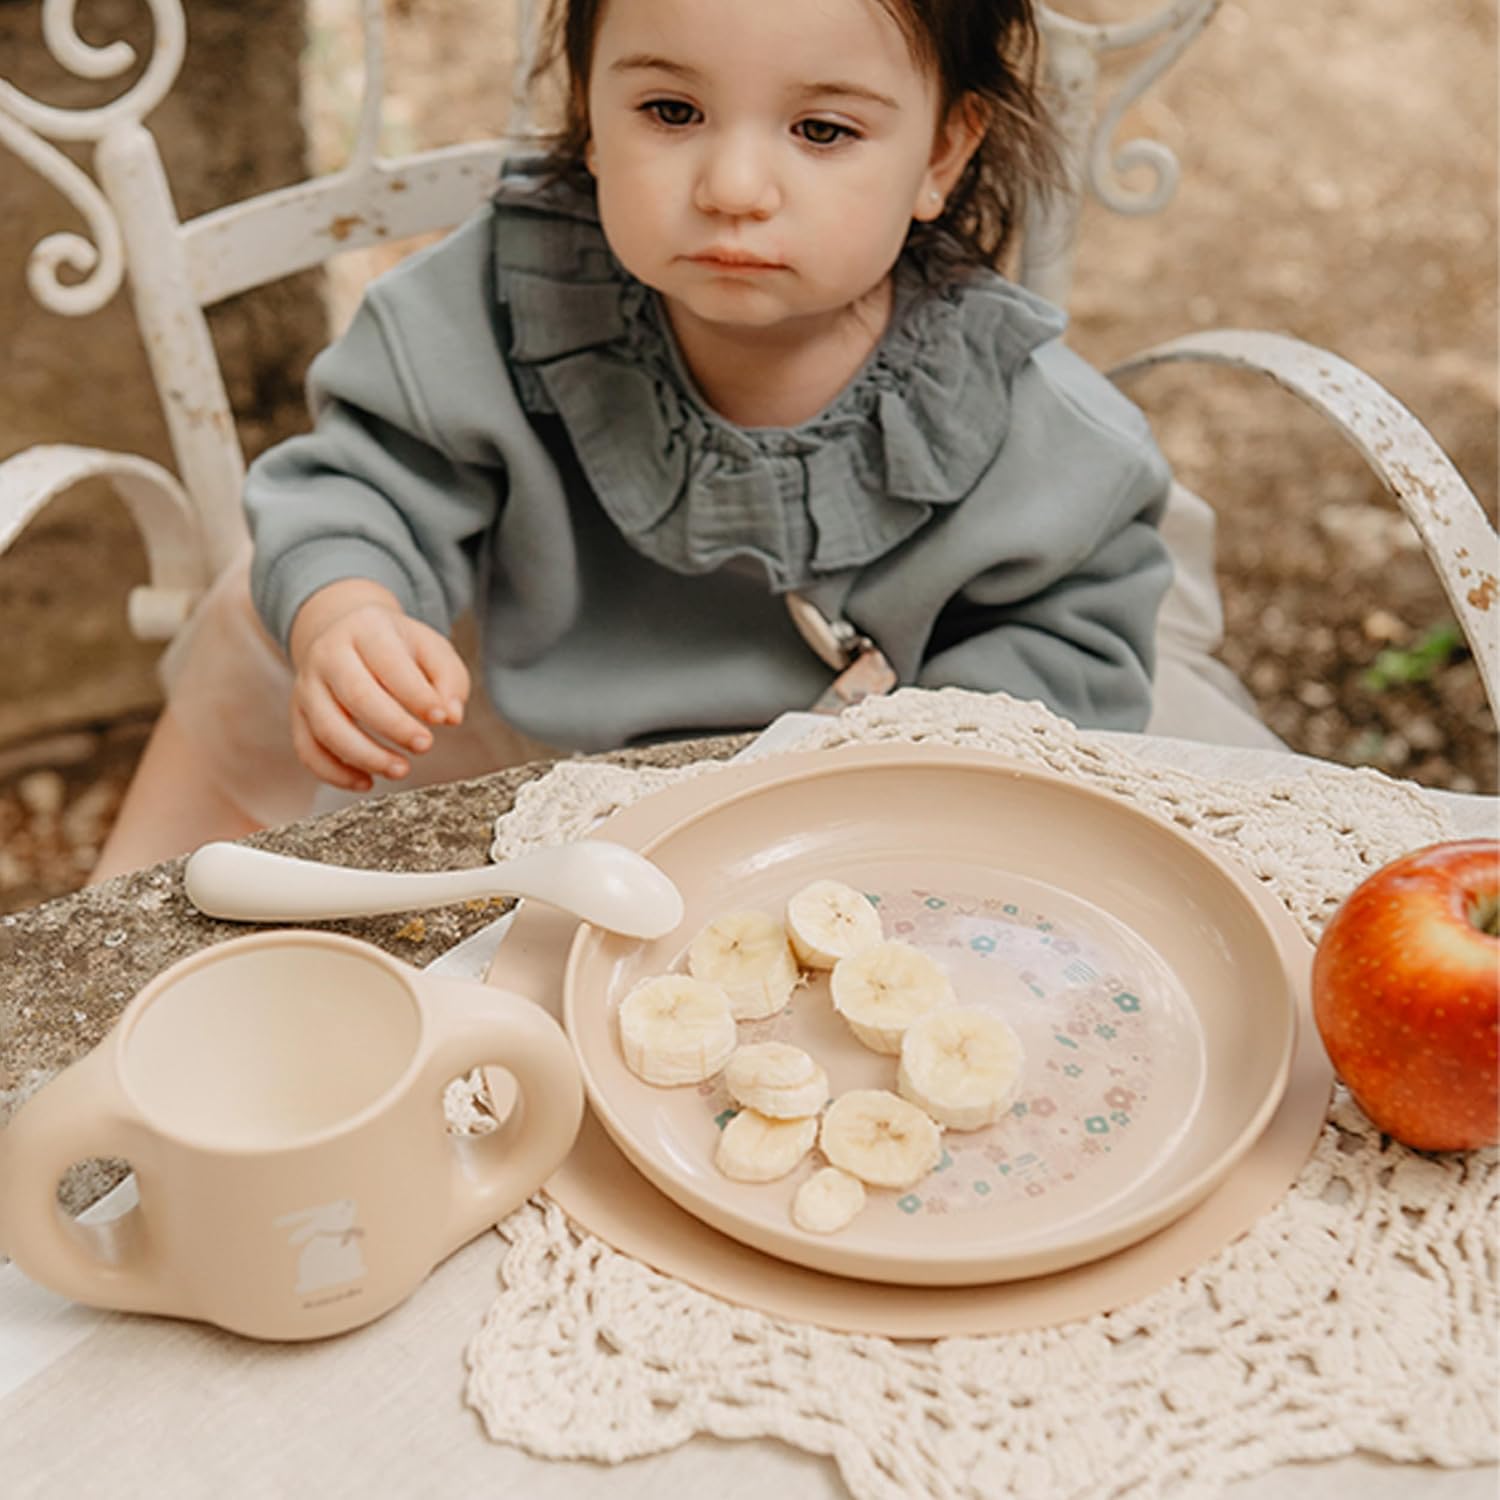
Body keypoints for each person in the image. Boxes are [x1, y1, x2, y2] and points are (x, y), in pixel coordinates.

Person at [92, 0, 1175, 879]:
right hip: (519, 753)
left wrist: (915, 756)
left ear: (942, 150)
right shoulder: (500, 304)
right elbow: (367, 479)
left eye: (822, 131)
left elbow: (1066, 635)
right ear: (589, 111)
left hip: (843, 818)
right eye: (670, 110)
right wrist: (351, 611)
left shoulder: (1023, 425)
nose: (733, 188)